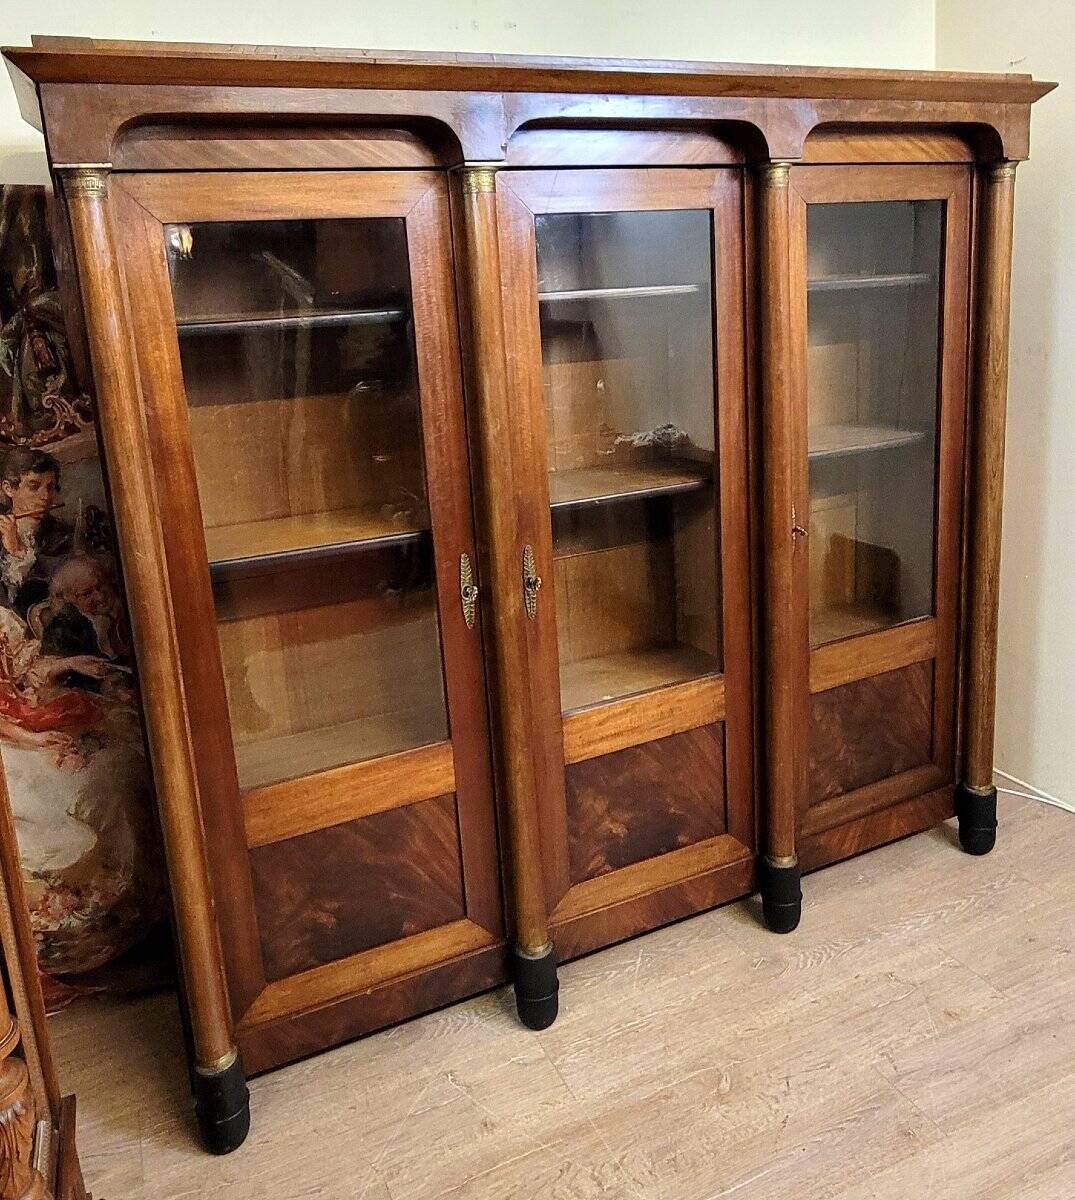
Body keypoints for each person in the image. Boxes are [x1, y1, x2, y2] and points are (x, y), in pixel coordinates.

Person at [0, 447, 73, 616]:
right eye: (34, 486)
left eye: (50, 487)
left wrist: (17, 552)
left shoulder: (63, 535)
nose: (45, 496)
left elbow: (58, 589)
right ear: (9, 488)